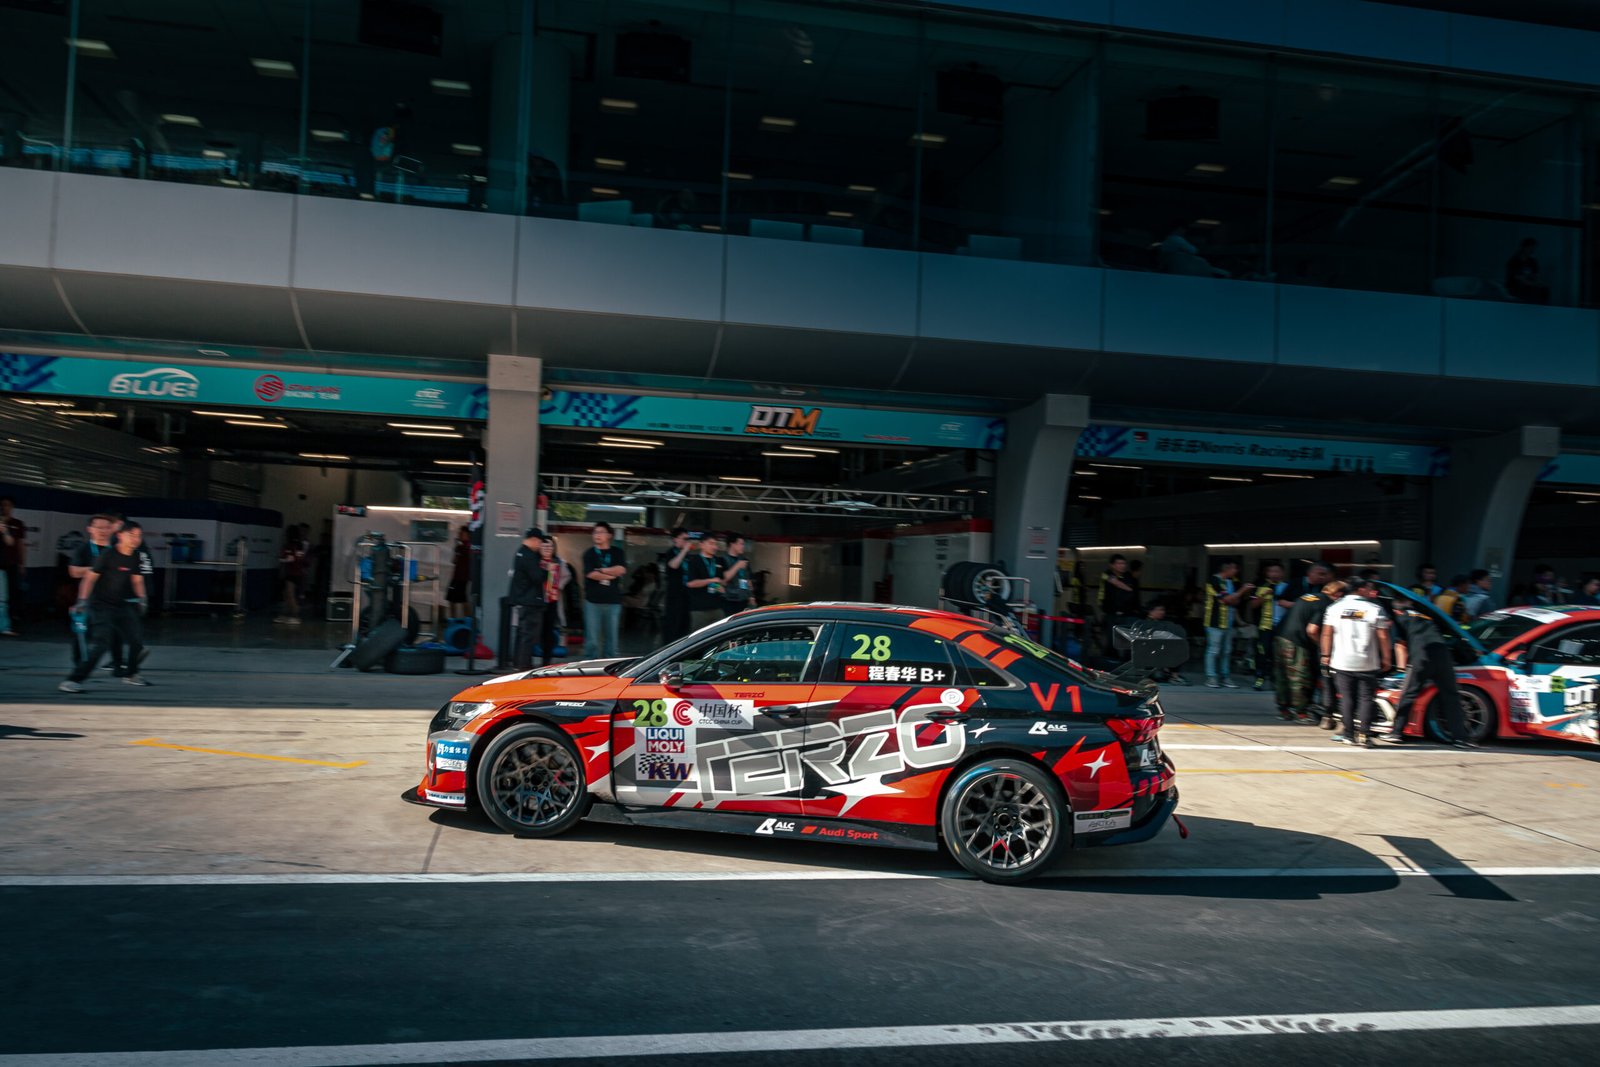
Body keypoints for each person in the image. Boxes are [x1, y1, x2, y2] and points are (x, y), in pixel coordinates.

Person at [60, 521, 150, 691]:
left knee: (137, 641)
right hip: (101, 606)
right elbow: (89, 579)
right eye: (131, 535)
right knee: (102, 643)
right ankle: (73, 680)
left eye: (139, 536)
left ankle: (131, 674)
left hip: (122, 605)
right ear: (120, 535)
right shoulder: (108, 554)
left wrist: (142, 598)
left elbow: (137, 580)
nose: (136, 539)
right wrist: (82, 601)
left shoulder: (136, 556)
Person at [1319, 575, 1393, 747]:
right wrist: (1387, 657)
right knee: (1366, 698)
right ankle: (1365, 735)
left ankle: (1348, 735)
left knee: (1346, 698)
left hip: (1341, 661)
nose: (1371, 591)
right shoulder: (1375, 609)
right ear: (1361, 589)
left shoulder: (1334, 608)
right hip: (1367, 661)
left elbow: (1327, 633)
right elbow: (1383, 636)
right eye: (1368, 588)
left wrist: (1325, 655)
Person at [1387, 601, 1468, 747]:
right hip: (1444, 658)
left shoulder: (1401, 618)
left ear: (1397, 611)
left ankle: (1396, 733)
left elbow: (1400, 646)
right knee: (1451, 696)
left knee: (1409, 694)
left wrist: (1401, 670)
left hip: (1422, 657)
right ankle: (1461, 738)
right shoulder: (1428, 616)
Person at [68, 514, 126, 675]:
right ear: (90, 529)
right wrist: (97, 569)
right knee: (82, 632)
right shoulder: (83, 549)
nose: (102, 531)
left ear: (112, 529)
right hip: (89, 598)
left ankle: (118, 664)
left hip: (113, 598)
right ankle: (79, 666)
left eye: (106, 527)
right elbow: (73, 572)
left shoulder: (118, 549)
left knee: (116, 631)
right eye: (98, 527)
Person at [1276, 580, 1340, 722]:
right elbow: (1312, 630)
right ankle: (1301, 712)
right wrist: (1322, 645)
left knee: (1282, 676)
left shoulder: (1308, 596)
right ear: (1338, 594)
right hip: (1296, 642)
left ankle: (1284, 710)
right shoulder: (1326, 604)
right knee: (1300, 678)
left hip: (1280, 636)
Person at [506, 528, 554, 669]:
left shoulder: (520, 552)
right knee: (528, 636)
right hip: (530, 601)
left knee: (522, 634)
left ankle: (518, 664)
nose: (540, 546)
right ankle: (524, 666)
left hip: (523, 600)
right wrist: (547, 569)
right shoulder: (529, 556)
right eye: (540, 542)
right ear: (534, 540)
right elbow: (538, 577)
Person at [581, 522, 627, 659]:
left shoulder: (617, 552)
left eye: (601, 532)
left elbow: (621, 570)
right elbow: (591, 574)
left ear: (609, 535)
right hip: (593, 602)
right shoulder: (589, 553)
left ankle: (610, 665)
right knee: (592, 640)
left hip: (613, 602)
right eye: (595, 532)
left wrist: (601, 569)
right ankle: (590, 665)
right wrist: (611, 574)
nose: (597, 535)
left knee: (612, 639)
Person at [1202, 560, 1245, 688]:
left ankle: (1225, 677)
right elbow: (1226, 599)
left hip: (1228, 622)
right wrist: (1242, 590)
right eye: (1234, 568)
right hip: (1214, 622)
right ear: (1227, 569)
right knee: (1214, 650)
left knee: (1226, 651)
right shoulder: (1214, 581)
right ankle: (1211, 677)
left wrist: (1233, 598)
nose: (1236, 571)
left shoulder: (1230, 582)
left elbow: (1234, 601)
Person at [1252, 563, 1289, 692]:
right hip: (1265, 626)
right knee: (1263, 653)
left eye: (1277, 571)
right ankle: (1260, 678)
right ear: (1267, 573)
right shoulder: (1261, 586)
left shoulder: (1287, 586)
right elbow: (1253, 605)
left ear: (1282, 573)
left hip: (1283, 627)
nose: (1274, 574)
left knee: (1278, 654)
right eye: (1271, 571)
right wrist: (1264, 595)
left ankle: (1276, 680)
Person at [1099, 554, 1142, 660]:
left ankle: (1125, 662)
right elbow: (1117, 583)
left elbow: (1133, 594)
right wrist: (1128, 588)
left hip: (1126, 614)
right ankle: (1110, 660)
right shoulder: (1106, 575)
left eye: (1124, 563)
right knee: (1111, 640)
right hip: (1111, 613)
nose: (1122, 566)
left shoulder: (1129, 577)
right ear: (1112, 565)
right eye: (1119, 563)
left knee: (1127, 641)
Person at [684, 532, 727, 632]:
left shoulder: (718, 561)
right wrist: (710, 580)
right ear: (702, 544)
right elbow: (691, 583)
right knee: (700, 636)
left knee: (720, 634)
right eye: (711, 543)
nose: (714, 547)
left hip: (717, 607)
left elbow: (720, 581)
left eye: (715, 544)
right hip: (699, 609)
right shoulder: (694, 560)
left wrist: (719, 587)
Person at [657, 527, 693, 643]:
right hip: (674, 595)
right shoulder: (671, 552)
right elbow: (674, 565)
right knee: (673, 623)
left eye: (688, 539)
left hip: (686, 594)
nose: (687, 541)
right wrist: (684, 550)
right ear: (675, 539)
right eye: (684, 538)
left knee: (684, 624)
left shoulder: (688, 556)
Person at [1159, 221, 1229, 277]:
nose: (1184, 232)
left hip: (1178, 270)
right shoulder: (1177, 239)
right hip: (1187, 270)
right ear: (1179, 229)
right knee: (1225, 273)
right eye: (1184, 229)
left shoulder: (1167, 240)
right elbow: (1194, 250)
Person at [0, 495, 25, 637]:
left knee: (3, 598)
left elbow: (11, 542)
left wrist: (4, 530)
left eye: (8, 505)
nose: (5, 508)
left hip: (6, 564)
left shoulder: (15, 524)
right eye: (3, 505)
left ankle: (5, 625)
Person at [275, 523, 308, 625]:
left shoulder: (297, 545)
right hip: (289, 572)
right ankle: (287, 614)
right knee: (286, 594)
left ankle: (295, 615)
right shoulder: (289, 545)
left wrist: (286, 559)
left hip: (295, 573)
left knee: (290, 593)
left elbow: (298, 558)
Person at [1505, 238, 1549, 304]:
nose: (1532, 251)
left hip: (1528, 286)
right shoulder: (1514, 261)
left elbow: (1535, 276)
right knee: (1531, 291)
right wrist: (1534, 284)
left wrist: (1539, 283)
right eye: (1530, 248)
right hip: (1515, 287)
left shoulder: (1533, 262)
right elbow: (1518, 278)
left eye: (1534, 248)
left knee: (1544, 290)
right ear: (1524, 247)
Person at [721, 533, 755, 616]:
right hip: (729, 600)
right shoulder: (722, 559)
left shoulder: (744, 559)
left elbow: (748, 580)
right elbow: (724, 578)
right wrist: (737, 566)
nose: (743, 546)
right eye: (741, 544)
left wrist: (751, 596)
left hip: (743, 599)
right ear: (732, 544)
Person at [446, 526, 473, 618]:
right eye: (459, 533)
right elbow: (454, 560)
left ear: (467, 535)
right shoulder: (460, 546)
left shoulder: (468, 546)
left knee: (462, 599)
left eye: (462, 534)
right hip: (457, 576)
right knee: (452, 598)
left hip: (463, 577)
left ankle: (467, 619)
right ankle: (454, 619)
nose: (460, 535)